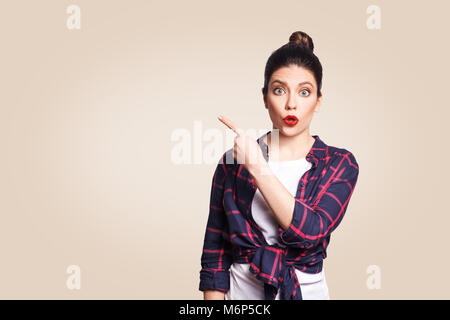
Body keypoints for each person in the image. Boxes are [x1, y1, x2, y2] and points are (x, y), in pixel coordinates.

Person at [199, 31, 360, 300]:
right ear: (265, 98)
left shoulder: (339, 164)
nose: (291, 104)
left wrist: (258, 167)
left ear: (318, 101)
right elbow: (215, 254)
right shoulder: (231, 164)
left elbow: (309, 232)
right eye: (279, 90)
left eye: (304, 92)